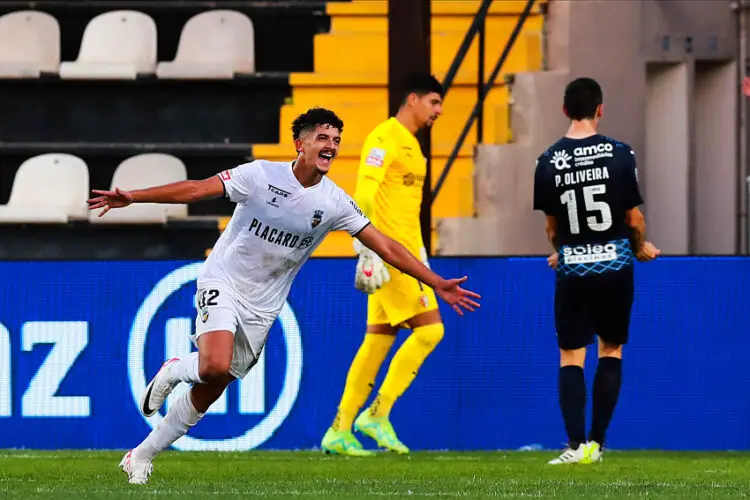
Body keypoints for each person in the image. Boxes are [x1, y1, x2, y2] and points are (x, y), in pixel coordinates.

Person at [88, 107, 480, 484]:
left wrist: (436, 281)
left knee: (213, 387)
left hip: (264, 304)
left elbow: (387, 246)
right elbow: (196, 189)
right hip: (223, 280)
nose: (331, 145)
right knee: (212, 366)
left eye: (337, 140)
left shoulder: (334, 202)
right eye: (322, 137)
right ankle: (176, 368)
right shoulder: (259, 176)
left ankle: (141, 455)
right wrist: (134, 197)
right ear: (300, 144)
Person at [532, 78, 660, 465]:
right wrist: (639, 248)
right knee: (611, 349)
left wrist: (567, 253)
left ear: (564, 110)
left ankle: (573, 447)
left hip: (574, 270)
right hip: (616, 267)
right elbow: (633, 220)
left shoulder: (548, 160)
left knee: (571, 355)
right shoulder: (621, 154)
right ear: (599, 109)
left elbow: (553, 229)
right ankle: (596, 445)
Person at [321, 75, 446, 456]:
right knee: (430, 331)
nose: (438, 111)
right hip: (390, 255)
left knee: (377, 340)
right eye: (434, 102)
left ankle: (340, 429)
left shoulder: (412, 146)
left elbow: (406, 210)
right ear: (412, 99)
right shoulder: (384, 138)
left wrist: (419, 254)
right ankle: (378, 414)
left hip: (406, 254)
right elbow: (363, 193)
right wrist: (367, 249)